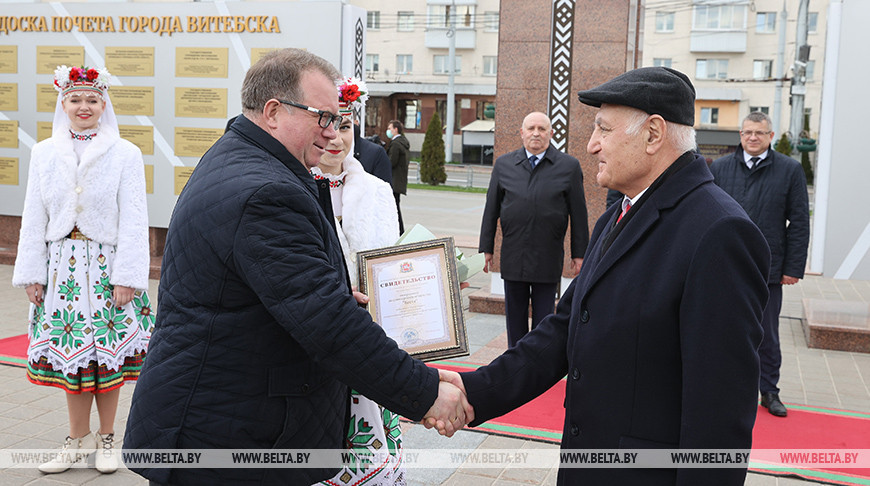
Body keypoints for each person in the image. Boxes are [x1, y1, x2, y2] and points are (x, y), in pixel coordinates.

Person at [123, 48, 469, 485]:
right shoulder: (265, 192)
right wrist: (423, 392)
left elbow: (284, 292)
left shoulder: (248, 161)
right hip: (224, 439)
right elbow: (326, 321)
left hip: (226, 425)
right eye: (323, 117)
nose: (332, 134)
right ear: (273, 111)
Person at [439, 67, 771, 485]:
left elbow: (719, 414)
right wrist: (476, 391)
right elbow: (565, 327)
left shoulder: (719, 232)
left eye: (603, 129)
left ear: (653, 135)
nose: (592, 145)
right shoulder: (620, 211)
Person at [12, 65, 151, 475]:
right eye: (75, 99)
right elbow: (33, 214)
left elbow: (134, 217)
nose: (84, 106)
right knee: (73, 357)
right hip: (61, 271)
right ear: (63, 103)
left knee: (104, 360)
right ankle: (77, 439)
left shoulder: (125, 153)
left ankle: (108, 437)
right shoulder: (43, 152)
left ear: (103, 104)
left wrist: (127, 276)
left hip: (106, 267)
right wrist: (32, 273)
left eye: (92, 99)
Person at [311, 76, 405, 486]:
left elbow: (393, 260)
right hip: (315, 333)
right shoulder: (290, 186)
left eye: (346, 127)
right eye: (330, 126)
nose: (336, 138)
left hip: (366, 335)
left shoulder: (378, 190)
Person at [710, 111, 810, 418]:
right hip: (725, 265)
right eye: (747, 132)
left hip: (768, 269)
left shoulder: (790, 170)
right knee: (720, 330)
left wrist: (792, 267)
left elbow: (800, 221)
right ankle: (720, 387)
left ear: (770, 136)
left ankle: (769, 391)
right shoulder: (721, 167)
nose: (752, 137)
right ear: (740, 135)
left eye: (759, 133)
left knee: (766, 334)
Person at [479, 111, 589, 348]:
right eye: (531, 128)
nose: (536, 133)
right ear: (522, 133)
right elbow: (491, 210)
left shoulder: (568, 167)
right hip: (513, 255)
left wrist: (579, 254)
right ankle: (514, 365)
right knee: (515, 321)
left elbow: (579, 214)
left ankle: (539, 364)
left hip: (547, 257)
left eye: (541, 129)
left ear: (551, 133)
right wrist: (485, 249)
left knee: (544, 320)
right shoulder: (504, 165)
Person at [386, 119, 410, 234]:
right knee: (395, 207)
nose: (388, 131)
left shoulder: (396, 144)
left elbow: (391, 162)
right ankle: (399, 230)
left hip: (394, 181)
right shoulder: (403, 142)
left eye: (390, 128)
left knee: (394, 208)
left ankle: (398, 231)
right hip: (399, 181)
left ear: (395, 130)